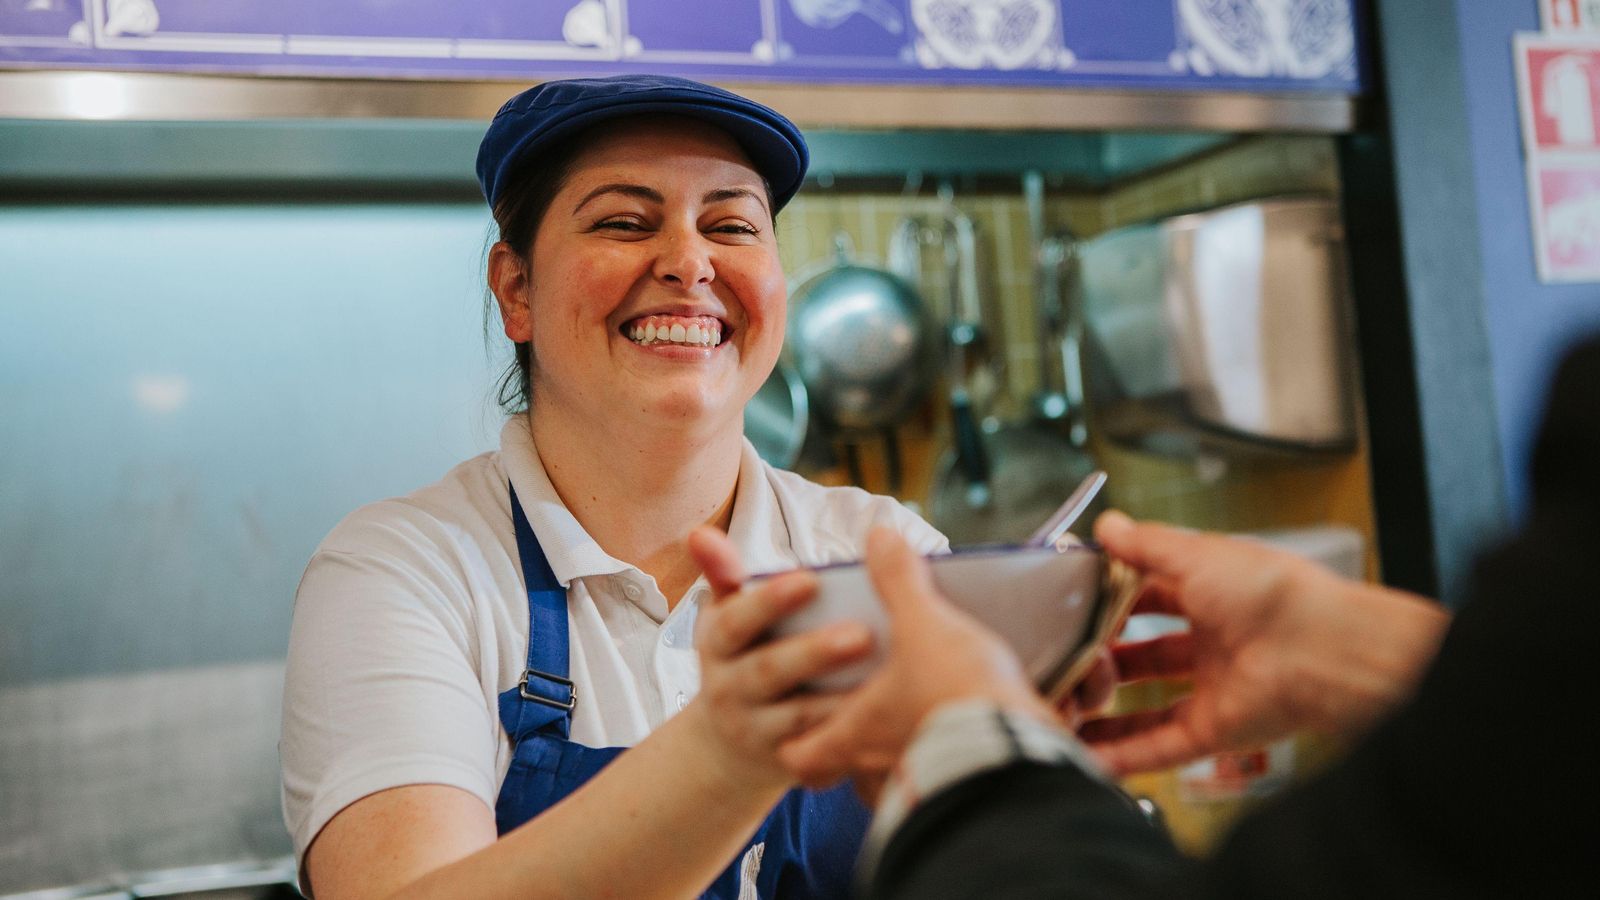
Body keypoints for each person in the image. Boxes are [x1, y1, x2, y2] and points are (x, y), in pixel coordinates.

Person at [278, 74, 946, 900]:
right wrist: (732, 752)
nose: (690, 262)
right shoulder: (407, 573)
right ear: (517, 289)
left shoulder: (885, 558)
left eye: (733, 224)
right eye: (624, 222)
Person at [763, 335, 1600, 898]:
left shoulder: (884, 537)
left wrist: (969, 743)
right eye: (624, 221)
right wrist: (1366, 653)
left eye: (733, 222)